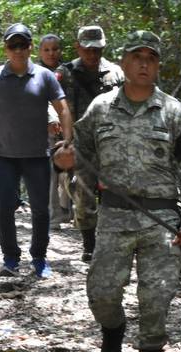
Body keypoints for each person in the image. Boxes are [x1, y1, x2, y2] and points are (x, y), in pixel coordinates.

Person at [70, 31, 181, 352]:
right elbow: (80, 151)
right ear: (124, 62)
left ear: (158, 65)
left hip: (161, 219)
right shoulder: (101, 108)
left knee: (156, 300)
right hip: (113, 215)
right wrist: (67, 162)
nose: (144, 63)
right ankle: (113, 331)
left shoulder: (173, 111)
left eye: (152, 58)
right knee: (101, 292)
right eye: (137, 56)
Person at [0, 23, 73, 278]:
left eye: (23, 45)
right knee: (4, 208)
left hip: (37, 155)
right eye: (14, 45)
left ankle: (39, 258)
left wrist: (67, 141)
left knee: (41, 209)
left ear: (31, 47)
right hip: (4, 156)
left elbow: (63, 108)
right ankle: (10, 259)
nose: (18, 50)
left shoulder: (44, 77)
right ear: (6, 49)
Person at [56, 25, 124, 261]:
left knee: (116, 194)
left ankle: (112, 242)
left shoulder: (116, 73)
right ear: (78, 47)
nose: (93, 55)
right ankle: (89, 245)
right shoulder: (64, 74)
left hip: (112, 143)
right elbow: (52, 104)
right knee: (83, 194)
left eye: (97, 50)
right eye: (88, 50)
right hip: (80, 143)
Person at [37, 34, 71, 230]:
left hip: (70, 127)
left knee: (73, 172)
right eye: (46, 50)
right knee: (50, 174)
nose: (51, 53)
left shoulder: (69, 71)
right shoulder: (34, 73)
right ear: (40, 52)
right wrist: (51, 118)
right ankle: (53, 216)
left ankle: (74, 213)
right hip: (44, 130)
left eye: (55, 49)